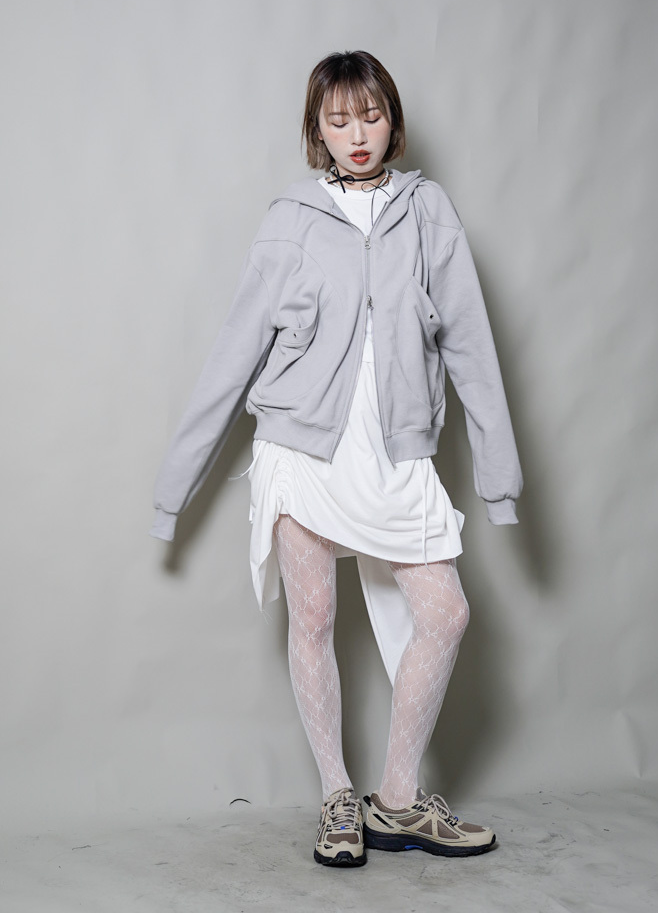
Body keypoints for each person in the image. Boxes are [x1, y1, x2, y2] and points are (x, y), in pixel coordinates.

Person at [149, 50, 523, 868]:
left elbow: (470, 344)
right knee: (313, 620)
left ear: (393, 121)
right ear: (316, 129)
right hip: (300, 449)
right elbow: (236, 350)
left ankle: (397, 799)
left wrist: (498, 478)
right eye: (338, 119)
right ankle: (336, 799)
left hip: (395, 452)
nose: (357, 135)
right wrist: (174, 487)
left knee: (445, 613)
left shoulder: (427, 211)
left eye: (371, 116)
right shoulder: (290, 219)